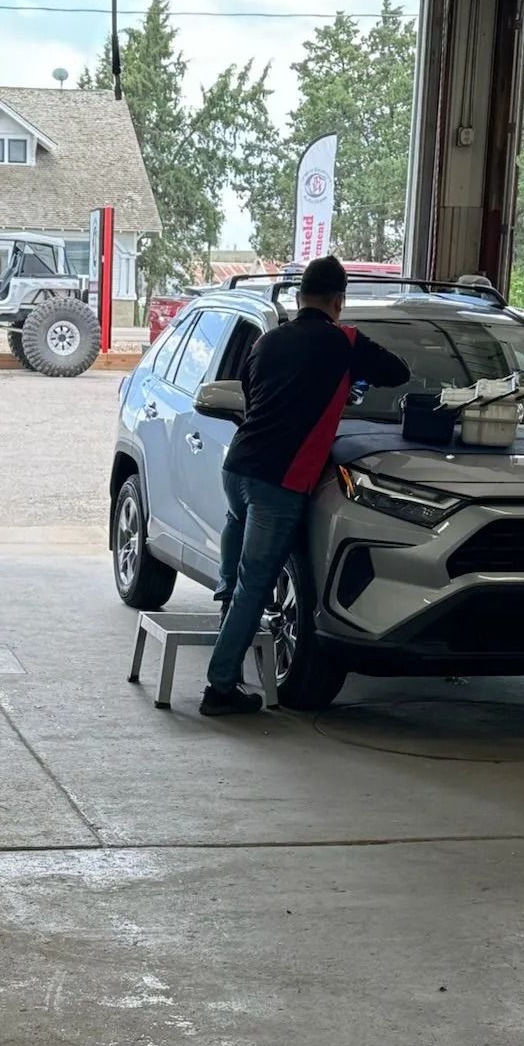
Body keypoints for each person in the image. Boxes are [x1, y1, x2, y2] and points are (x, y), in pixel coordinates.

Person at [200, 254, 409, 717]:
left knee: (237, 579)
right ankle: (220, 688)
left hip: (238, 466)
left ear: (299, 297)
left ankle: (225, 645)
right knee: (256, 584)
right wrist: (350, 372)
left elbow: (254, 394)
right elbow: (398, 373)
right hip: (279, 479)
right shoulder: (344, 341)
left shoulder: (268, 340)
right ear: (339, 301)